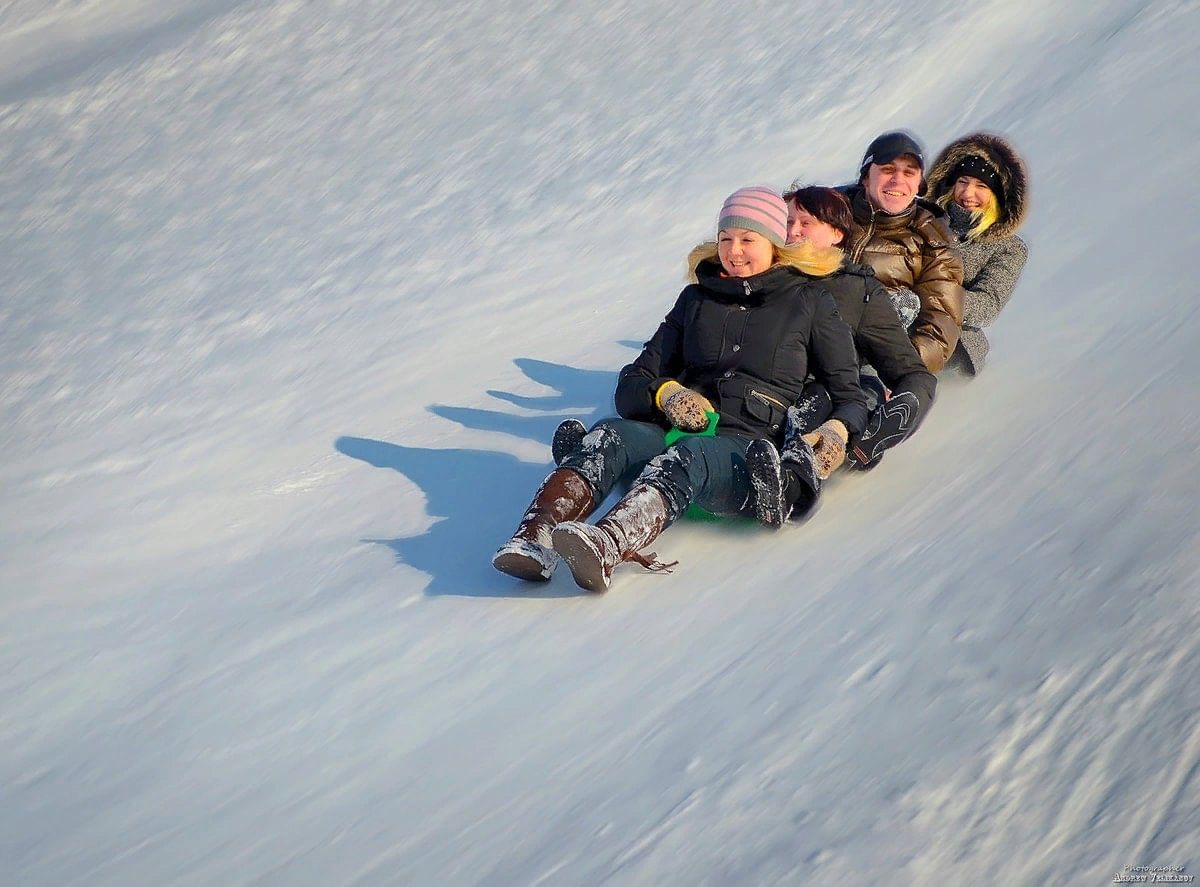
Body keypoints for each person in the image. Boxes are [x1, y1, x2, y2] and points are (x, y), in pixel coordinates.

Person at [492, 187, 869, 591]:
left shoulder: (809, 302)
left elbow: (849, 392)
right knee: (608, 434)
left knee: (693, 455)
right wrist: (666, 394)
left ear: (776, 245)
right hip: (677, 431)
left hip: (745, 449)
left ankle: (608, 544)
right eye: (726, 239)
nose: (734, 251)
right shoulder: (695, 300)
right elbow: (633, 381)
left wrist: (837, 430)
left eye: (748, 240)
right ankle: (535, 539)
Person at [750, 186, 936, 524]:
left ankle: (794, 482)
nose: (792, 232)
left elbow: (910, 371)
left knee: (825, 396)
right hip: (755, 400)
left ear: (836, 234)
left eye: (805, 223)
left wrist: (905, 408)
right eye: (787, 222)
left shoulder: (857, 292)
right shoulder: (755, 275)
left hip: (824, 401)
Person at [838, 131, 965, 373]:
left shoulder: (933, 240)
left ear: (918, 184)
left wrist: (903, 369)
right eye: (888, 169)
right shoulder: (829, 212)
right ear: (866, 178)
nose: (898, 180)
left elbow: (941, 317)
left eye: (909, 172)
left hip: (873, 361)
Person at [924, 132, 1029, 374]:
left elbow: (987, 305)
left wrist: (931, 293)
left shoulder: (1008, 247)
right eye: (963, 182)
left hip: (955, 340)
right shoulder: (925, 220)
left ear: (997, 196)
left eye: (981, 186)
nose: (968, 194)